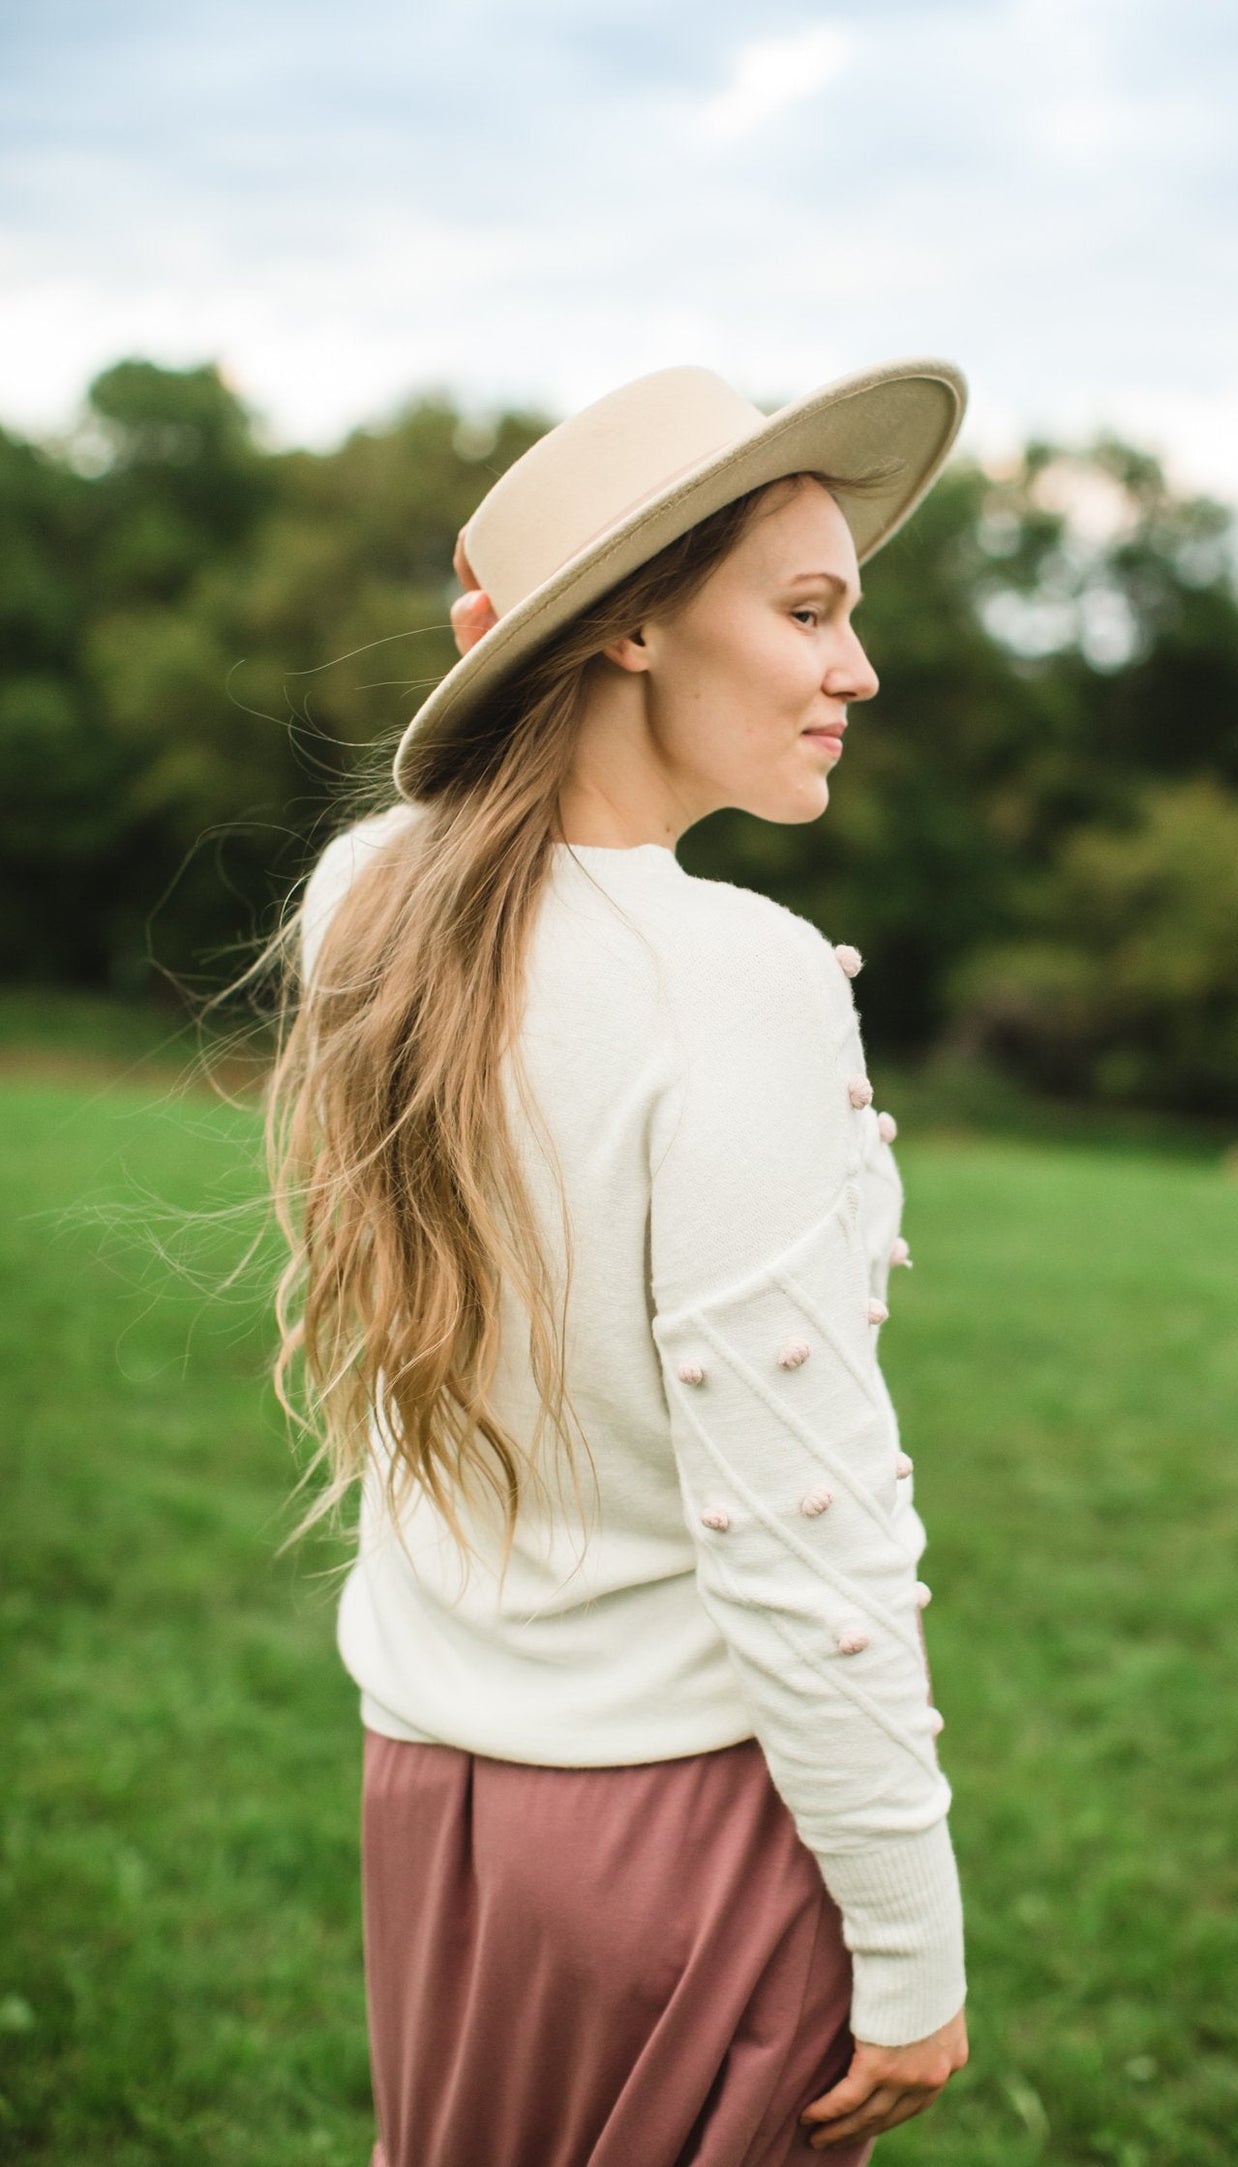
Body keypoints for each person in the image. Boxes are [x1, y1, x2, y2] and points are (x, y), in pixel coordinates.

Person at [273, 357, 971, 2166]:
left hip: (430, 1799)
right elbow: (798, 1520)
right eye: (808, 611)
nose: (855, 672)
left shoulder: (370, 897)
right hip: (681, 1835)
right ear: (632, 625)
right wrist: (907, 1938)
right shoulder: (731, 978)